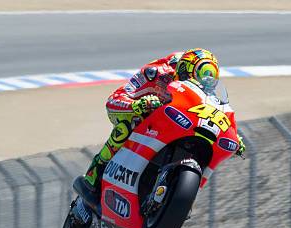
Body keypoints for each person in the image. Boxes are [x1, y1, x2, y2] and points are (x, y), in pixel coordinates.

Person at [82, 48, 245, 196]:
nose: (202, 86)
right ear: (182, 72)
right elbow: (114, 100)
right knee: (128, 124)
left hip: (175, 122)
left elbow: (221, 112)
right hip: (143, 114)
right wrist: (137, 105)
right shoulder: (156, 73)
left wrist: (234, 136)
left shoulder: (207, 89)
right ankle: (96, 170)